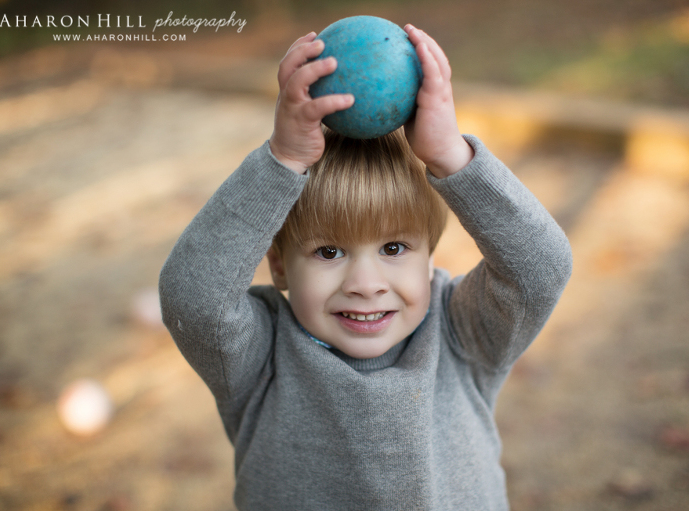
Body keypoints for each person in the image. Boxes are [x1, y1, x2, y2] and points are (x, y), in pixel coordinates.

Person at [159, 24, 572, 510]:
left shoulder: (462, 333)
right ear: (280, 267)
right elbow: (192, 297)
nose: (365, 285)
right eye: (328, 252)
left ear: (430, 256)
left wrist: (450, 155)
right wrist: (282, 161)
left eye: (394, 248)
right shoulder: (259, 356)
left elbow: (541, 268)